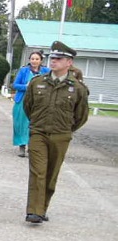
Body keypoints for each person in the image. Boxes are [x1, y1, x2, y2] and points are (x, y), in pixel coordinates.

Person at [22, 41, 89, 224]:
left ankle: (42, 208)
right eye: (52, 58)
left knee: (51, 175)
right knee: (38, 172)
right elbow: (28, 107)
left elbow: (81, 116)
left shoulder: (77, 88)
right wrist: (38, 124)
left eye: (59, 59)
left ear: (69, 62)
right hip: (38, 133)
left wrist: (66, 129)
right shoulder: (37, 83)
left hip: (61, 135)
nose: (54, 61)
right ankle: (34, 211)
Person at [11, 51, 49, 157]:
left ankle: (33, 146)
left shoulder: (46, 71)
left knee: (36, 124)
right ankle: (21, 146)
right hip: (23, 100)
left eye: (37, 59)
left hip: (39, 101)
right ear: (29, 60)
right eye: (32, 59)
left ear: (41, 60)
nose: (34, 61)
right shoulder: (24, 71)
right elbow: (15, 85)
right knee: (21, 124)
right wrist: (26, 87)